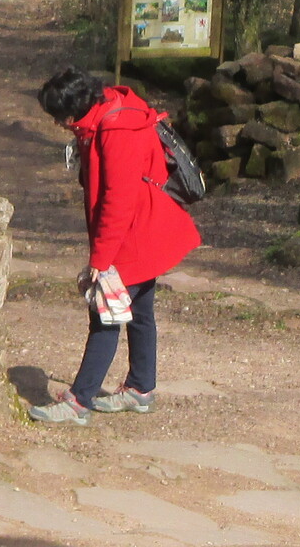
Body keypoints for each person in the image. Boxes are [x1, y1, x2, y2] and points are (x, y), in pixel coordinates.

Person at [29, 64, 200, 423]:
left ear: (72, 111)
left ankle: (79, 402)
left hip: (134, 234)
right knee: (140, 311)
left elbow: (117, 201)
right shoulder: (112, 111)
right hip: (149, 226)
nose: (58, 124)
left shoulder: (116, 131)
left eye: (59, 117)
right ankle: (140, 388)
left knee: (104, 315)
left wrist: (101, 260)